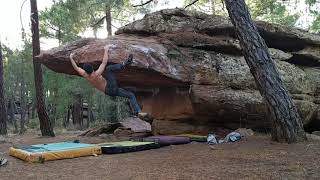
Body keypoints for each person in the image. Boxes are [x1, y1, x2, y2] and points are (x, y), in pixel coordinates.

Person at [70, 45, 147, 118]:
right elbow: (104, 62)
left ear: (85, 71)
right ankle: (125, 64)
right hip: (110, 87)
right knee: (108, 69)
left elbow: (76, 67)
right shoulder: (97, 73)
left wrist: (71, 58)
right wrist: (106, 50)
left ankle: (138, 112)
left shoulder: (84, 75)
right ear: (93, 69)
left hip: (109, 92)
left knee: (131, 95)